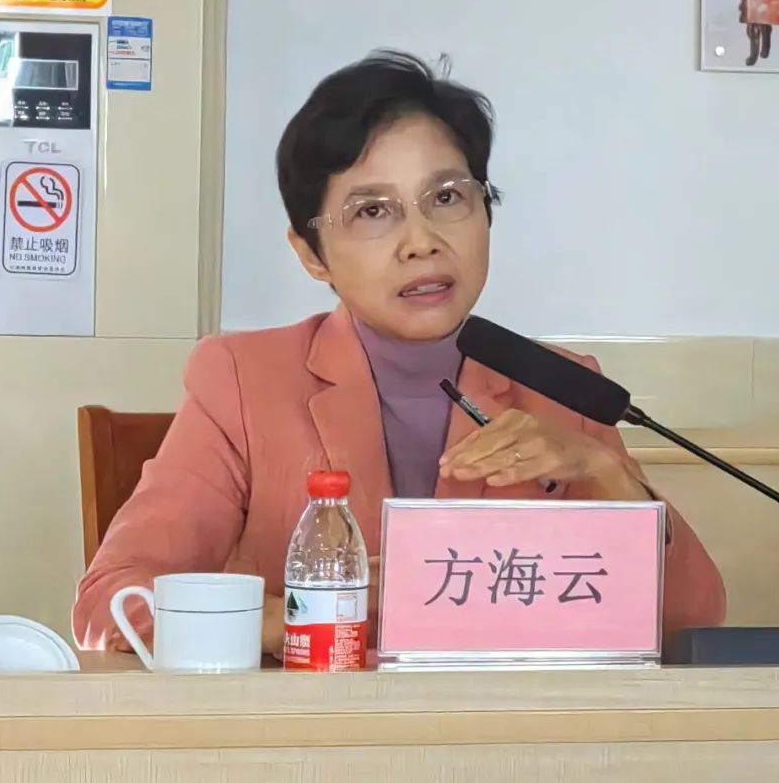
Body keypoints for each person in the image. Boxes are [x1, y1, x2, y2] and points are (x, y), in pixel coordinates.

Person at [73, 51, 726, 656]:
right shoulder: (242, 381)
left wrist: (609, 477)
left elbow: (692, 622)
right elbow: (113, 605)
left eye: (447, 197)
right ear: (311, 254)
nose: (422, 241)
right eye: (372, 212)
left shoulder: (563, 386)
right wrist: (304, 616)